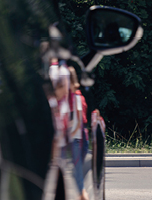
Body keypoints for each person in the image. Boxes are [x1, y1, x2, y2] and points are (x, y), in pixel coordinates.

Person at [67, 66, 90, 200]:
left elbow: (79, 120)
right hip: (79, 140)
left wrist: (69, 135)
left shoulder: (75, 97)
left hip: (77, 140)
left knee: (78, 180)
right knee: (77, 178)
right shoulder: (76, 96)